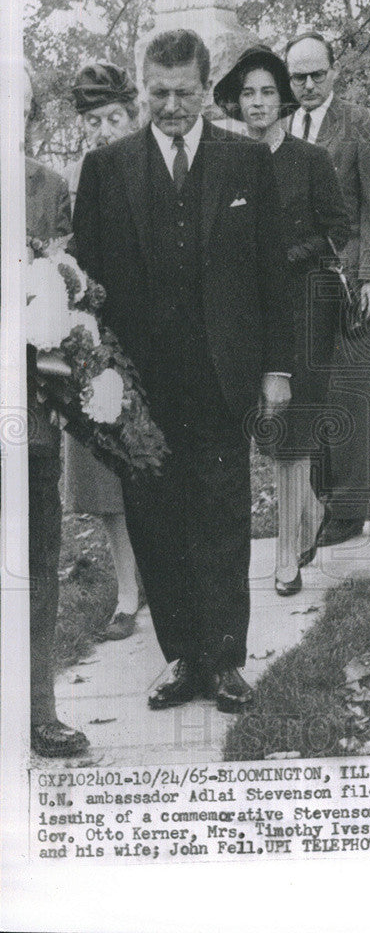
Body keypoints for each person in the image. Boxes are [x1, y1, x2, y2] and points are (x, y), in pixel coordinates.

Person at [72, 30, 293, 713]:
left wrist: (277, 371)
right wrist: (96, 376)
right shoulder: (106, 168)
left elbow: (271, 276)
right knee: (156, 522)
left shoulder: (246, 161)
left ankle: (225, 661)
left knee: (222, 519)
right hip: (139, 389)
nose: (171, 106)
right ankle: (181, 657)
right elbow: (89, 285)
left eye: (185, 92)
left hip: (220, 379)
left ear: (205, 88)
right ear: (142, 89)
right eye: (159, 93)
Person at [213, 46, 350, 595]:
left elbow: (338, 227)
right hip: (241, 315)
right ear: (236, 101)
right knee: (260, 425)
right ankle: (309, 511)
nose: (258, 102)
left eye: (269, 91)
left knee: (290, 432)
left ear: (283, 99)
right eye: (248, 93)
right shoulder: (220, 163)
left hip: (299, 311)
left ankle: (286, 557)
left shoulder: (310, 160)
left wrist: (292, 252)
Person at [284, 31, 370, 548]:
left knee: (349, 390)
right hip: (300, 282)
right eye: (297, 76)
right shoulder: (282, 127)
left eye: (316, 74)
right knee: (310, 393)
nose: (307, 84)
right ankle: (318, 497)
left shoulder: (363, 124)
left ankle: (349, 506)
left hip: (351, 279)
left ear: (334, 71)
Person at [22, 64, 90, 756]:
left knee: (40, 560)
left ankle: (40, 709)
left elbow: (70, 287)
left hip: (30, 411)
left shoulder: (48, 186)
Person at [64, 62, 141, 640]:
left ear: (132, 114)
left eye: (114, 117)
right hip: (98, 337)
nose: (104, 130)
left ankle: (169, 581)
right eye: (93, 121)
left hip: (155, 338)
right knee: (106, 470)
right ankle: (128, 589)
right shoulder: (81, 175)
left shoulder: (153, 166)